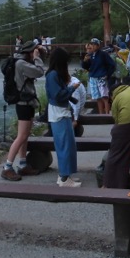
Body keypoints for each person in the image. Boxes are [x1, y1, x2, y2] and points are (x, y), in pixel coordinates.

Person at [1, 40, 46, 181]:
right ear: (29, 52)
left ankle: (23, 164)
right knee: (21, 136)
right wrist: (37, 57)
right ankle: (7, 167)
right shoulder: (20, 63)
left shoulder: (21, 62)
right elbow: (39, 72)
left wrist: (37, 55)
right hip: (23, 103)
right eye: (34, 51)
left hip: (27, 102)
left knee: (25, 135)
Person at [45, 47, 83, 187]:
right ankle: (64, 178)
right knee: (65, 146)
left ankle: (65, 175)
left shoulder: (53, 74)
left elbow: (59, 93)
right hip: (59, 114)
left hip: (61, 113)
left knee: (68, 145)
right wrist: (72, 88)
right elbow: (58, 95)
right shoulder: (53, 75)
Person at [82, 38, 115, 114]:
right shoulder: (90, 55)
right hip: (93, 77)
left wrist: (107, 75)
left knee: (105, 97)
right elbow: (86, 67)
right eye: (91, 44)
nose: (92, 46)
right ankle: (101, 114)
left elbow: (112, 65)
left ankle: (107, 114)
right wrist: (85, 61)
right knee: (97, 98)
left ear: (98, 46)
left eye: (94, 44)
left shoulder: (103, 54)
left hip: (101, 77)